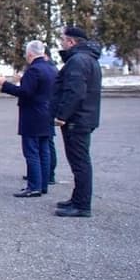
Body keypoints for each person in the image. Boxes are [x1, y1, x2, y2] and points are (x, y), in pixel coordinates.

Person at [0, 40, 56, 198]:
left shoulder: (34, 70)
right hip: (47, 113)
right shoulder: (51, 68)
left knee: (32, 152)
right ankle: (43, 184)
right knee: (44, 151)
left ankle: (34, 186)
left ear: (30, 54)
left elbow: (25, 92)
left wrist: (3, 84)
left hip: (33, 115)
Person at [52, 26, 103, 218]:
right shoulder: (87, 59)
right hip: (83, 118)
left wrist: (62, 115)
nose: (62, 43)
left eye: (63, 40)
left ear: (72, 42)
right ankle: (77, 198)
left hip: (77, 120)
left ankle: (82, 205)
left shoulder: (78, 61)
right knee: (78, 162)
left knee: (80, 162)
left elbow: (75, 92)